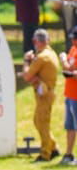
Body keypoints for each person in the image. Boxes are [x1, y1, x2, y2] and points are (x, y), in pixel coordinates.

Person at [22, 28, 60, 162]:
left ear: (35, 41)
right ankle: (53, 147)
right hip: (47, 92)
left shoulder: (41, 57)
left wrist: (26, 61)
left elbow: (27, 76)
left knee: (42, 124)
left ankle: (45, 153)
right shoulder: (50, 53)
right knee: (38, 121)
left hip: (44, 94)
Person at [58, 28, 77, 165]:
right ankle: (68, 154)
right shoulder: (73, 49)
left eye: (75, 38)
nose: (73, 40)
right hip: (70, 94)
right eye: (72, 38)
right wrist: (65, 61)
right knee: (70, 126)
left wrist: (63, 60)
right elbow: (68, 68)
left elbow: (70, 69)